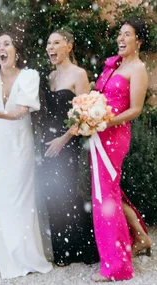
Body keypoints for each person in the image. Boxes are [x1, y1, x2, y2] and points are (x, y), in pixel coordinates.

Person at [0, 32, 53, 279]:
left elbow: (21, 111)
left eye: (7, 44)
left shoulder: (29, 76)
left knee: (20, 198)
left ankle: (26, 254)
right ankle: (5, 254)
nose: (2, 48)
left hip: (19, 142)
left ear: (16, 50)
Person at [90, 19, 152, 282]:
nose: (121, 38)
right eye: (120, 33)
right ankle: (140, 237)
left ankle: (116, 265)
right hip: (99, 133)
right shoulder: (114, 63)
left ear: (138, 40)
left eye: (128, 34)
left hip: (114, 136)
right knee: (109, 191)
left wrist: (105, 121)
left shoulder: (137, 68)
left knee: (106, 197)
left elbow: (135, 110)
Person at [40, 29, 99, 266]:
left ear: (69, 46)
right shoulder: (50, 76)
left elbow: (83, 115)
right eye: (48, 43)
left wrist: (63, 139)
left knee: (69, 193)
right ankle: (61, 251)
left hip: (68, 142)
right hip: (47, 141)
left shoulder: (79, 74)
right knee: (52, 195)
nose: (50, 48)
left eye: (56, 43)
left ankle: (81, 248)